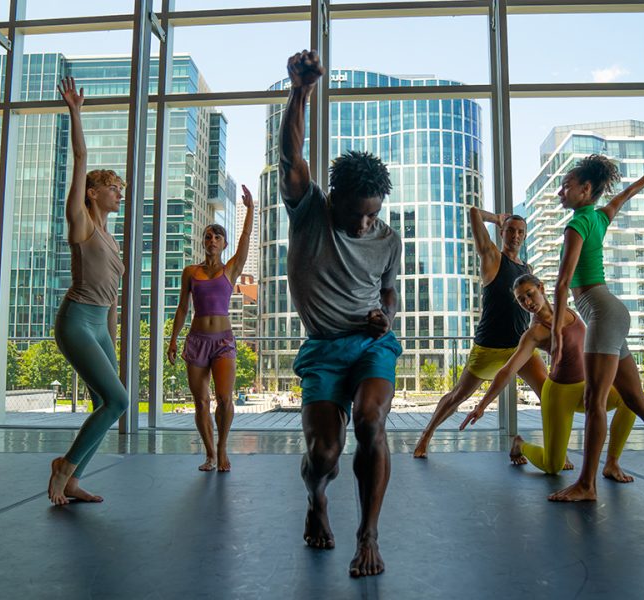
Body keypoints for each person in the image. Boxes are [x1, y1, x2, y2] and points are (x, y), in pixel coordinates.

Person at [280, 50, 403, 578]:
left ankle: (369, 534)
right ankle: (316, 499)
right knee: (325, 455)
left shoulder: (388, 238)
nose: (364, 225)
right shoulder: (309, 210)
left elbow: (390, 293)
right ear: (335, 199)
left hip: (370, 345)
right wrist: (299, 92)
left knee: (372, 421)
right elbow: (291, 158)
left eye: (373, 214)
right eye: (356, 214)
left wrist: (386, 317)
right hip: (324, 350)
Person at [548, 154, 644, 502]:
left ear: (586, 190)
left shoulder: (577, 224)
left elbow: (561, 283)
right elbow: (625, 194)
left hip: (603, 313)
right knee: (635, 399)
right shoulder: (599, 217)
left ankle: (586, 485)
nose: (561, 191)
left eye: (567, 186)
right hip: (610, 312)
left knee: (594, 401)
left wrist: (557, 332)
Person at [460, 274, 635, 481]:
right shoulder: (534, 333)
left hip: (587, 386)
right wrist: (482, 405)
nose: (527, 302)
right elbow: (508, 370)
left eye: (529, 294)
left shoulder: (568, 309)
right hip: (559, 395)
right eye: (521, 299)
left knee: (630, 399)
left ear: (541, 288)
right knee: (553, 467)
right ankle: (521, 445)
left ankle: (612, 463)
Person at [47, 77, 128, 505]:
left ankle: (74, 479)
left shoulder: (113, 239)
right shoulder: (81, 223)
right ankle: (64, 467)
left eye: (121, 188)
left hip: (99, 326)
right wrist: (75, 111)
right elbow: (80, 157)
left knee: (107, 402)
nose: (120, 192)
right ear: (93, 193)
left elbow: (113, 298)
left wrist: (111, 340)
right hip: (77, 320)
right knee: (119, 400)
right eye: (113, 187)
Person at [413, 211, 547, 458]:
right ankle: (426, 434)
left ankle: (556, 448)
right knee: (457, 396)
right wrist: (497, 218)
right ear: (502, 233)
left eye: (520, 232)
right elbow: (473, 214)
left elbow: (536, 306)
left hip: (521, 347)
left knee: (548, 393)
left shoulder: (527, 268)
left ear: (525, 236)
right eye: (510, 230)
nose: (515, 235)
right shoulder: (493, 257)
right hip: (489, 346)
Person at [167, 187, 255, 472]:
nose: (212, 239)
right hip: (196, 340)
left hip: (223, 341)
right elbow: (182, 308)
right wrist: (173, 340)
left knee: (225, 398)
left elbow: (245, 239)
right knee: (201, 402)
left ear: (224, 244)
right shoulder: (191, 272)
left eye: (217, 236)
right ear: (203, 242)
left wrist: (250, 209)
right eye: (208, 236)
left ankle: (222, 446)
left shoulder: (230, 270)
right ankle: (209, 453)